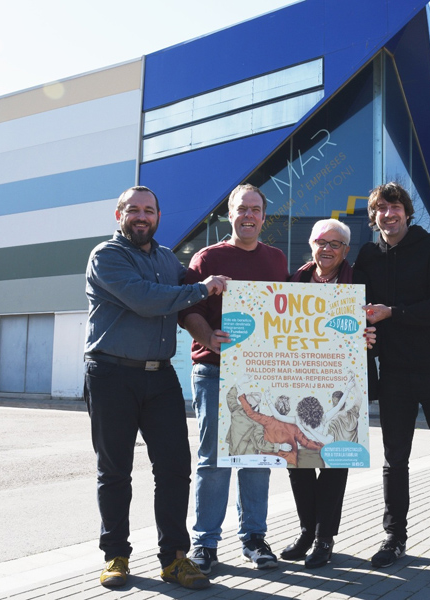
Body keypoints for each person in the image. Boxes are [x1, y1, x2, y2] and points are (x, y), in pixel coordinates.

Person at [84, 186, 229, 590]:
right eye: (134, 210)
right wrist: (204, 287)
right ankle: (116, 556)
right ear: (119, 216)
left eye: (149, 210)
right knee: (114, 469)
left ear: (159, 217)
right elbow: (146, 299)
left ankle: (175, 559)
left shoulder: (169, 260)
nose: (142, 216)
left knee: (174, 468)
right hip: (111, 373)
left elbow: (188, 306)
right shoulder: (107, 256)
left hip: (160, 376)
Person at [353, 182, 430, 573]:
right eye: (381, 208)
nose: (389, 214)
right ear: (374, 217)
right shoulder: (368, 255)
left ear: (407, 211)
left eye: (395, 206)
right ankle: (394, 536)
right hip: (396, 373)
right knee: (394, 460)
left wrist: (392, 314)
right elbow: (352, 305)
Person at [179, 183, 289, 574]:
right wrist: (207, 336)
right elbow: (186, 309)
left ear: (263, 216)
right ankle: (205, 544)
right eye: (242, 209)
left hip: (261, 375)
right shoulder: (207, 258)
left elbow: (288, 315)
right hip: (214, 370)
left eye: (255, 209)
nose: (248, 216)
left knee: (259, 457)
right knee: (214, 460)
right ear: (230, 213)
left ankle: (254, 539)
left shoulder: (276, 260)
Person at [280, 218, 372, 568]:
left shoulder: (360, 283)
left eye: (335, 244)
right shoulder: (294, 282)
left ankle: (324, 538)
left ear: (346, 250)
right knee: (298, 459)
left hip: (342, 386)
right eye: (322, 241)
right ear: (311, 244)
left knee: (334, 460)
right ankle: (306, 530)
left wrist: (370, 338)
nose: (327, 248)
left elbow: (373, 327)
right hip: (299, 380)